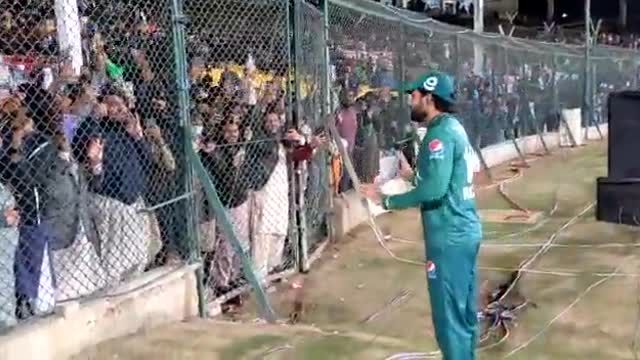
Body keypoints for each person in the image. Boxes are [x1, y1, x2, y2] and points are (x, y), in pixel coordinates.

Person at [360, 71, 482, 360]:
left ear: (429, 98)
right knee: (463, 312)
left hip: (448, 236)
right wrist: (415, 176)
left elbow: (434, 191)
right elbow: (443, 179)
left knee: (448, 318)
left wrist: (387, 200)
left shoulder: (438, 136)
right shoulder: (454, 127)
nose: (410, 101)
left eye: (414, 96)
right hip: (463, 230)